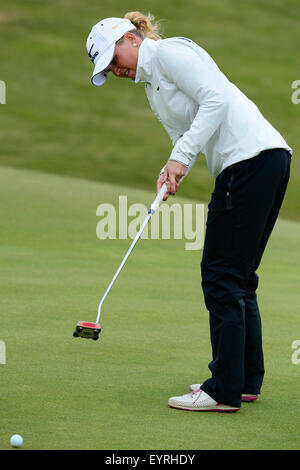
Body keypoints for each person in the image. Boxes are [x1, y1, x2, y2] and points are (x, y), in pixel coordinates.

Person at [86, 12, 292, 412]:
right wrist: (172, 169)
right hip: (259, 162)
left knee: (221, 275)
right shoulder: (152, 85)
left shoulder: (168, 53)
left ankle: (223, 389)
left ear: (130, 38)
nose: (114, 71)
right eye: (107, 70)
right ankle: (244, 379)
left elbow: (215, 97)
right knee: (238, 277)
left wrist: (181, 157)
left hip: (250, 161)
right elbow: (187, 134)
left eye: (113, 59)